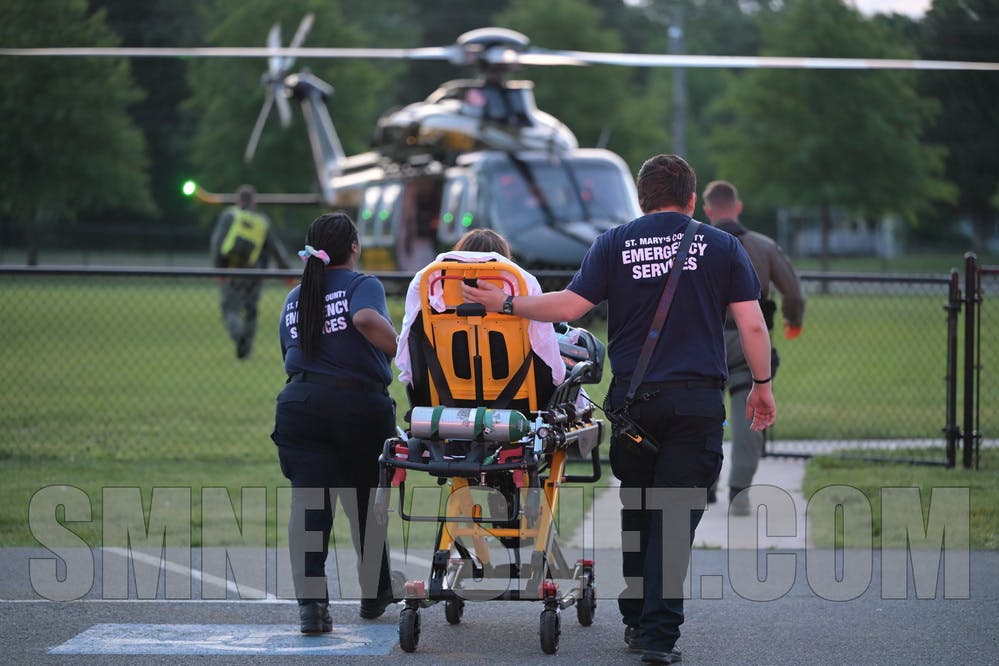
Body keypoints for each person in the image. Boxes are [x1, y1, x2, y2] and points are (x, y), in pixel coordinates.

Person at [462, 155, 776, 664]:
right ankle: (656, 636)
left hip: (633, 404)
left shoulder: (615, 242)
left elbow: (568, 308)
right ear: (692, 199)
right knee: (673, 519)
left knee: (641, 510)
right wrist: (761, 385)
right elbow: (754, 326)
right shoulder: (720, 245)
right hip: (694, 403)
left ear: (641, 198)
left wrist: (506, 303)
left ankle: (635, 620)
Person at [271, 212, 399, 634]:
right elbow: (364, 319)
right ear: (354, 247)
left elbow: (290, 352)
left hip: (300, 403)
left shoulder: (296, 296)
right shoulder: (363, 284)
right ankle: (373, 593)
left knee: (309, 507)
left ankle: (311, 606)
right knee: (365, 503)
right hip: (357, 405)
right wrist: (398, 346)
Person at [702, 180, 805, 516]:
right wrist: (793, 321)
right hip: (750, 342)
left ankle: (704, 487)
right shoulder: (764, 247)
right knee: (750, 413)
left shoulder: (697, 246)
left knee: (704, 414)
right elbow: (792, 293)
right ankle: (739, 493)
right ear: (739, 207)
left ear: (707, 211)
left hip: (707, 342)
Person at [396, 228, 566, 391]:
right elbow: (546, 355)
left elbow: (410, 344)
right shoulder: (522, 288)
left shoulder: (428, 291)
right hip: (520, 392)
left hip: (442, 392)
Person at [209, 184, 293, 359]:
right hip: (254, 272)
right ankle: (245, 349)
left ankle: (239, 336)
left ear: (237, 200)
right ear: (254, 201)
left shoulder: (229, 215)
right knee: (251, 310)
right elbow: (275, 248)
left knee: (230, 308)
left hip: (232, 270)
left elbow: (217, 243)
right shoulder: (262, 221)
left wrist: (218, 268)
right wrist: (287, 273)